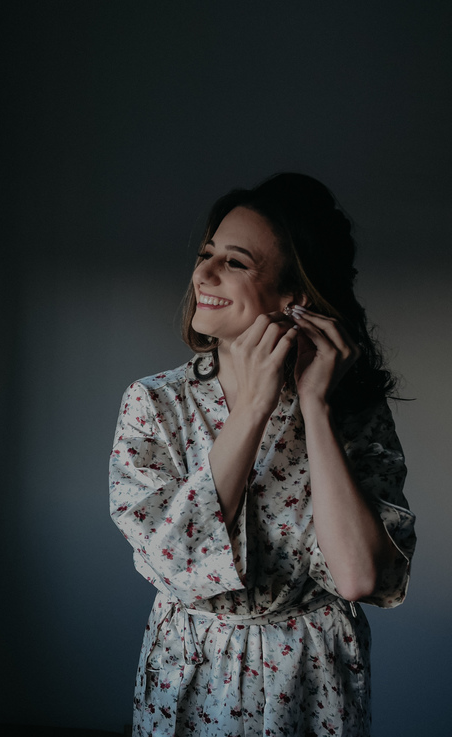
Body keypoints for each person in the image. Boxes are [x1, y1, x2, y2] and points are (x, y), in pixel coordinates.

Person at [108, 173, 416, 736]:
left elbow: (360, 578)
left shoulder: (352, 411)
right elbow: (174, 564)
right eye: (206, 254)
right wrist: (250, 410)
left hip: (313, 675)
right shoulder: (154, 403)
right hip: (191, 667)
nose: (202, 273)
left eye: (236, 262)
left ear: (294, 296)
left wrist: (317, 407)